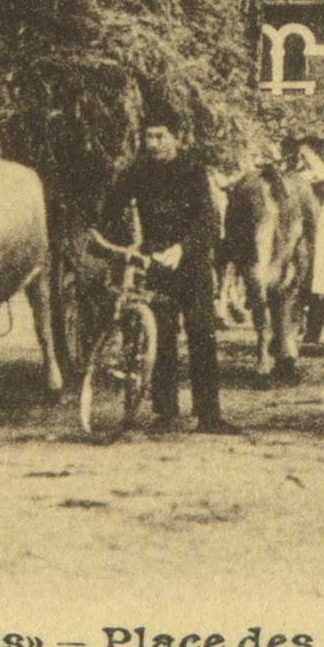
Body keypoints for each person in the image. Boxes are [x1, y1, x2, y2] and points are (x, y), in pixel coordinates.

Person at [100, 106, 237, 436]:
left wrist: (182, 249)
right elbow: (112, 207)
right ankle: (165, 412)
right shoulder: (138, 171)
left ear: (176, 138)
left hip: (191, 266)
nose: (154, 143)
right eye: (148, 137)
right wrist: (122, 244)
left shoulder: (193, 171)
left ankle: (209, 415)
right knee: (160, 338)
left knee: (202, 335)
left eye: (161, 137)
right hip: (155, 264)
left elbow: (208, 220)